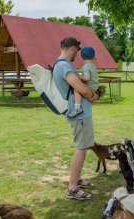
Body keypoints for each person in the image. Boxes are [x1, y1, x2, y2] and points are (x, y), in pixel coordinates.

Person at [52, 37, 98, 200]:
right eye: (77, 51)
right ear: (72, 48)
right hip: (79, 114)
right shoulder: (64, 65)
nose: (77, 54)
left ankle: (76, 179)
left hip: (79, 112)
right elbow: (80, 88)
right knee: (82, 148)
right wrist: (93, 94)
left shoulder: (61, 65)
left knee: (83, 146)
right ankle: (72, 188)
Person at [67, 46, 100, 118]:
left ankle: (77, 108)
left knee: (76, 88)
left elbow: (87, 78)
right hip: (95, 87)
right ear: (93, 56)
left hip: (90, 87)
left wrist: (76, 75)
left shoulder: (86, 66)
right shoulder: (92, 65)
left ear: (82, 57)